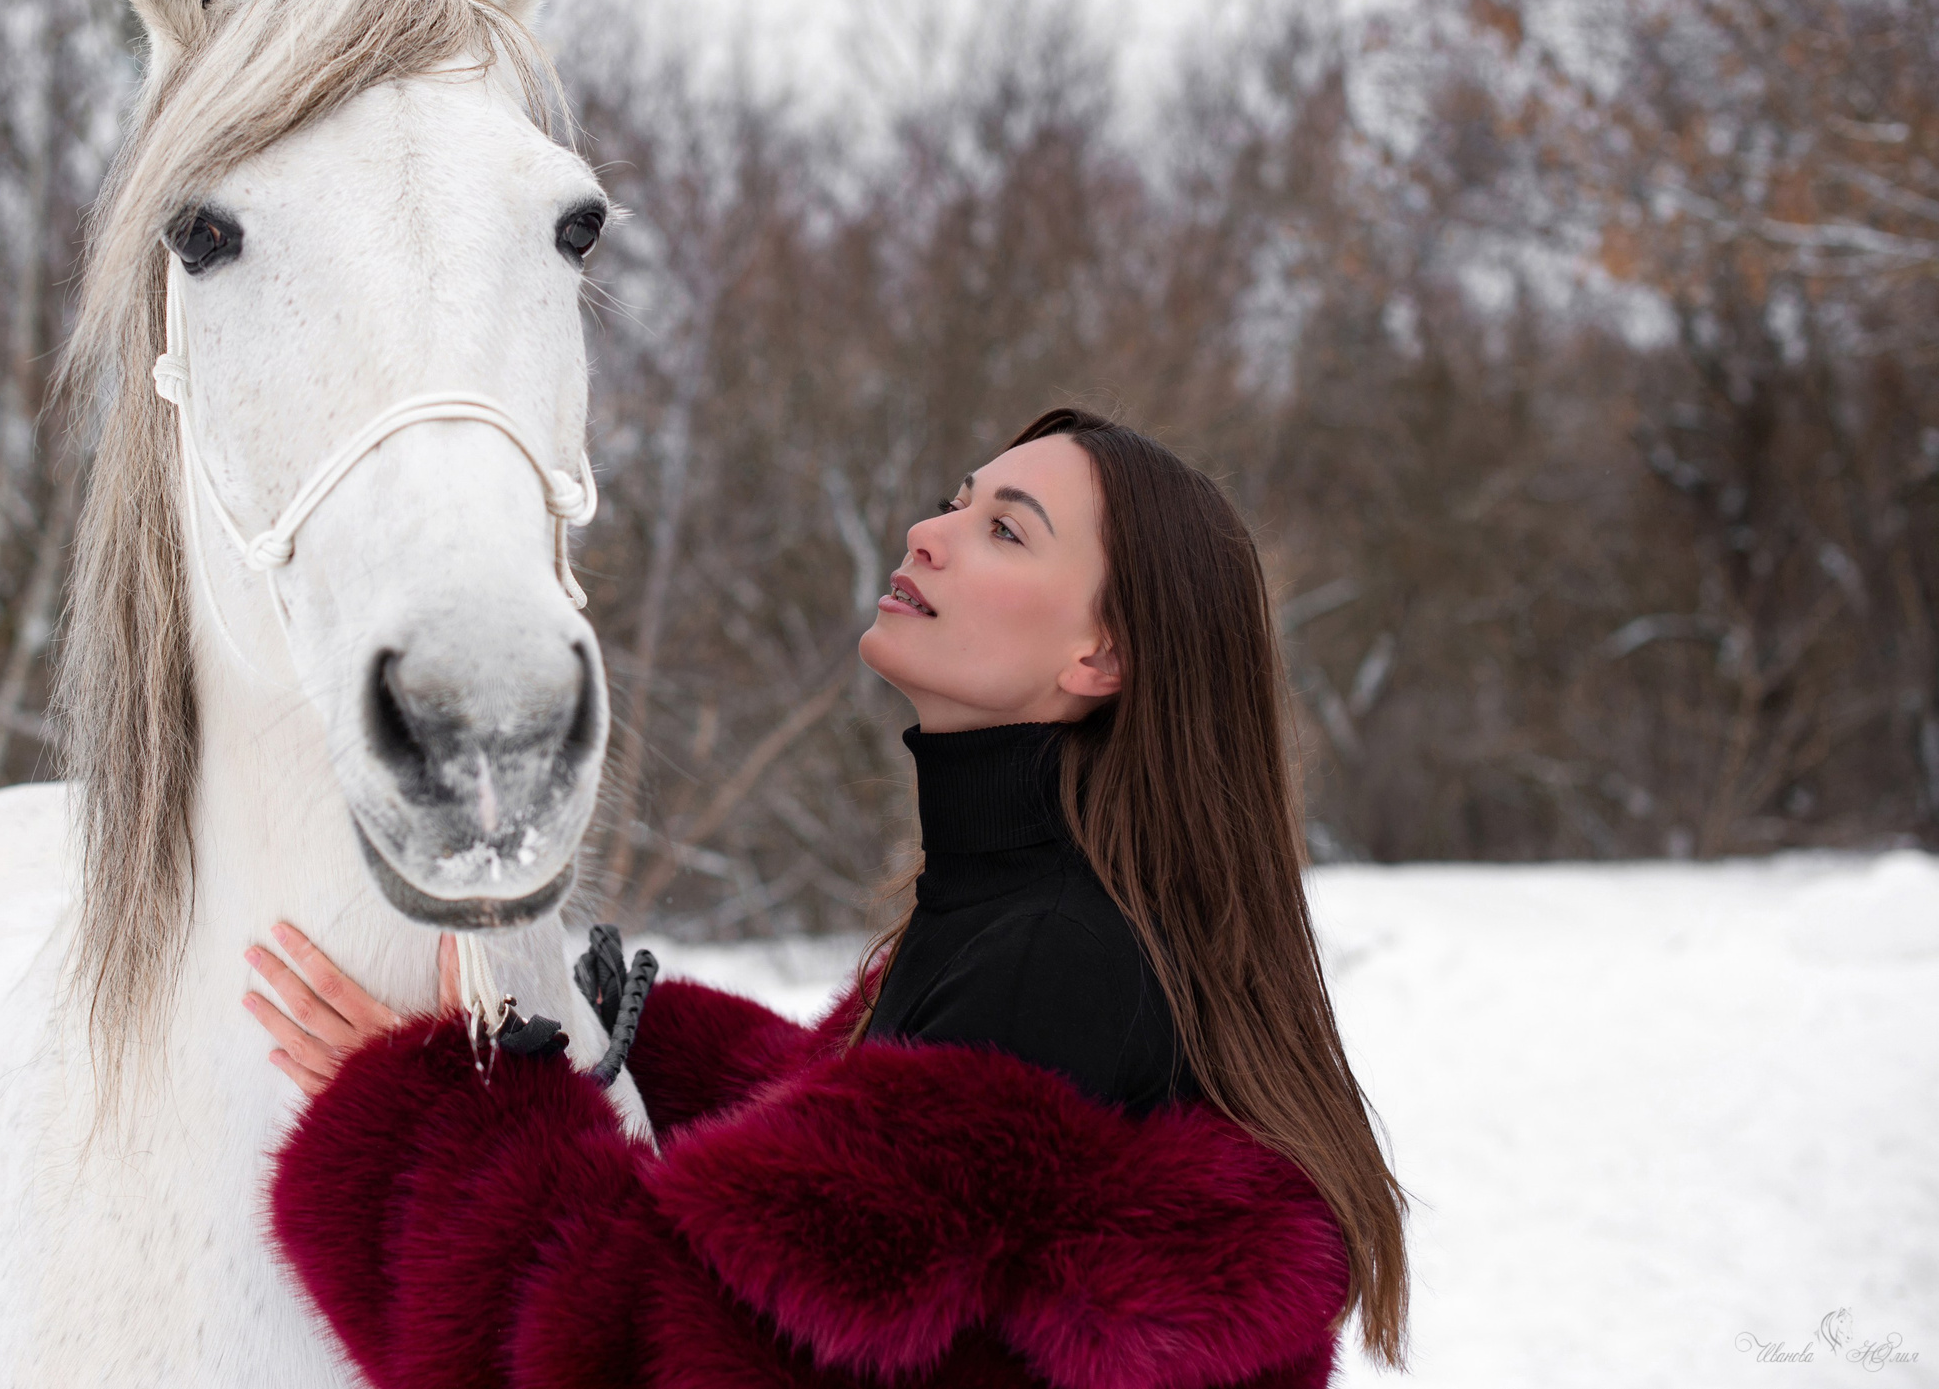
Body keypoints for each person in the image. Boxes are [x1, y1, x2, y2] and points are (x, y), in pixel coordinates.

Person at [243, 407, 1411, 1387]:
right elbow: (890, 1210)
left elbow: (646, 1357)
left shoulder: (1052, 960)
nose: (930, 531)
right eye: (960, 498)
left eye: (1004, 528)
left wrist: (420, 1130)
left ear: (1098, 658)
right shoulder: (1031, 927)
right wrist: (665, 1058)